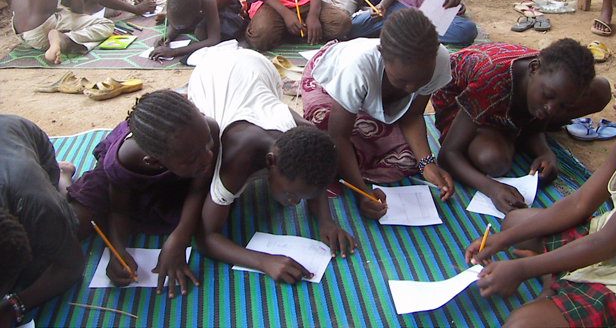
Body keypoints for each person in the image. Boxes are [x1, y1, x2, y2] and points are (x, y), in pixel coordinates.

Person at [464, 42, 616, 328]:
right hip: (615, 242)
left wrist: (522, 268)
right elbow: (579, 203)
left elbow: (607, 244)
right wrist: (502, 240)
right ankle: (558, 274)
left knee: (522, 324)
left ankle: (558, 279)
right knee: (514, 224)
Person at [187, 43, 357, 284]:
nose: (294, 203)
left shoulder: (310, 135)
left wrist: (325, 220)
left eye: (300, 198)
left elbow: (318, 177)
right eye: (291, 194)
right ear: (270, 162)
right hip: (210, 74)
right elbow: (206, 238)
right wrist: (263, 261)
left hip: (260, 66)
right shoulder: (237, 156)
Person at [301, 9, 455, 220]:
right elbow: (339, 136)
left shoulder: (438, 60)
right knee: (322, 134)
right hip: (326, 80)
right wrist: (362, 192)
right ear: (382, 54)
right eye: (400, 81)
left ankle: (348, 166)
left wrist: (427, 163)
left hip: (367, 102)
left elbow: (412, 116)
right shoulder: (359, 67)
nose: (411, 89)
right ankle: (351, 169)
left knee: (408, 160)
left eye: (421, 81)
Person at [67, 90, 219, 298]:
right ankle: (63, 177)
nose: (208, 156)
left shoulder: (205, 131)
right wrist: (117, 251)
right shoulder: (123, 162)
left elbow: (199, 188)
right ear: (155, 162)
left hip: (176, 172)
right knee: (76, 224)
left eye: (207, 143)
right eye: (193, 158)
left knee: (208, 214)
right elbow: (119, 210)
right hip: (124, 180)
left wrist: (179, 237)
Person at [433, 39, 612, 215]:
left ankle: (510, 133)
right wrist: (492, 188)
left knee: (600, 90)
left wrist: (545, 153)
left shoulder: (549, 82)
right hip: (460, 102)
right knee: (493, 159)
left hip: (509, 101)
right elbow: (448, 155)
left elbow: (537, 123)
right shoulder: (491, 80)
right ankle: (502, 135)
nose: (551, 109)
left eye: (564, 105)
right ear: (533, 69)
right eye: (548, 95)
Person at [0, 114, 84, 327]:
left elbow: (72, 266)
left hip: (18, 134)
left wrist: (14, 306)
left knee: (37, 269)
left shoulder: (36, 205)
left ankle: (63, 176)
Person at [149, 0, 244, 60]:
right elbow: (174, 24)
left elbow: (214, 39)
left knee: (202, 33)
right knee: (181, 24)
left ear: (198, 13)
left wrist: (175, 51)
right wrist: (167, 36)